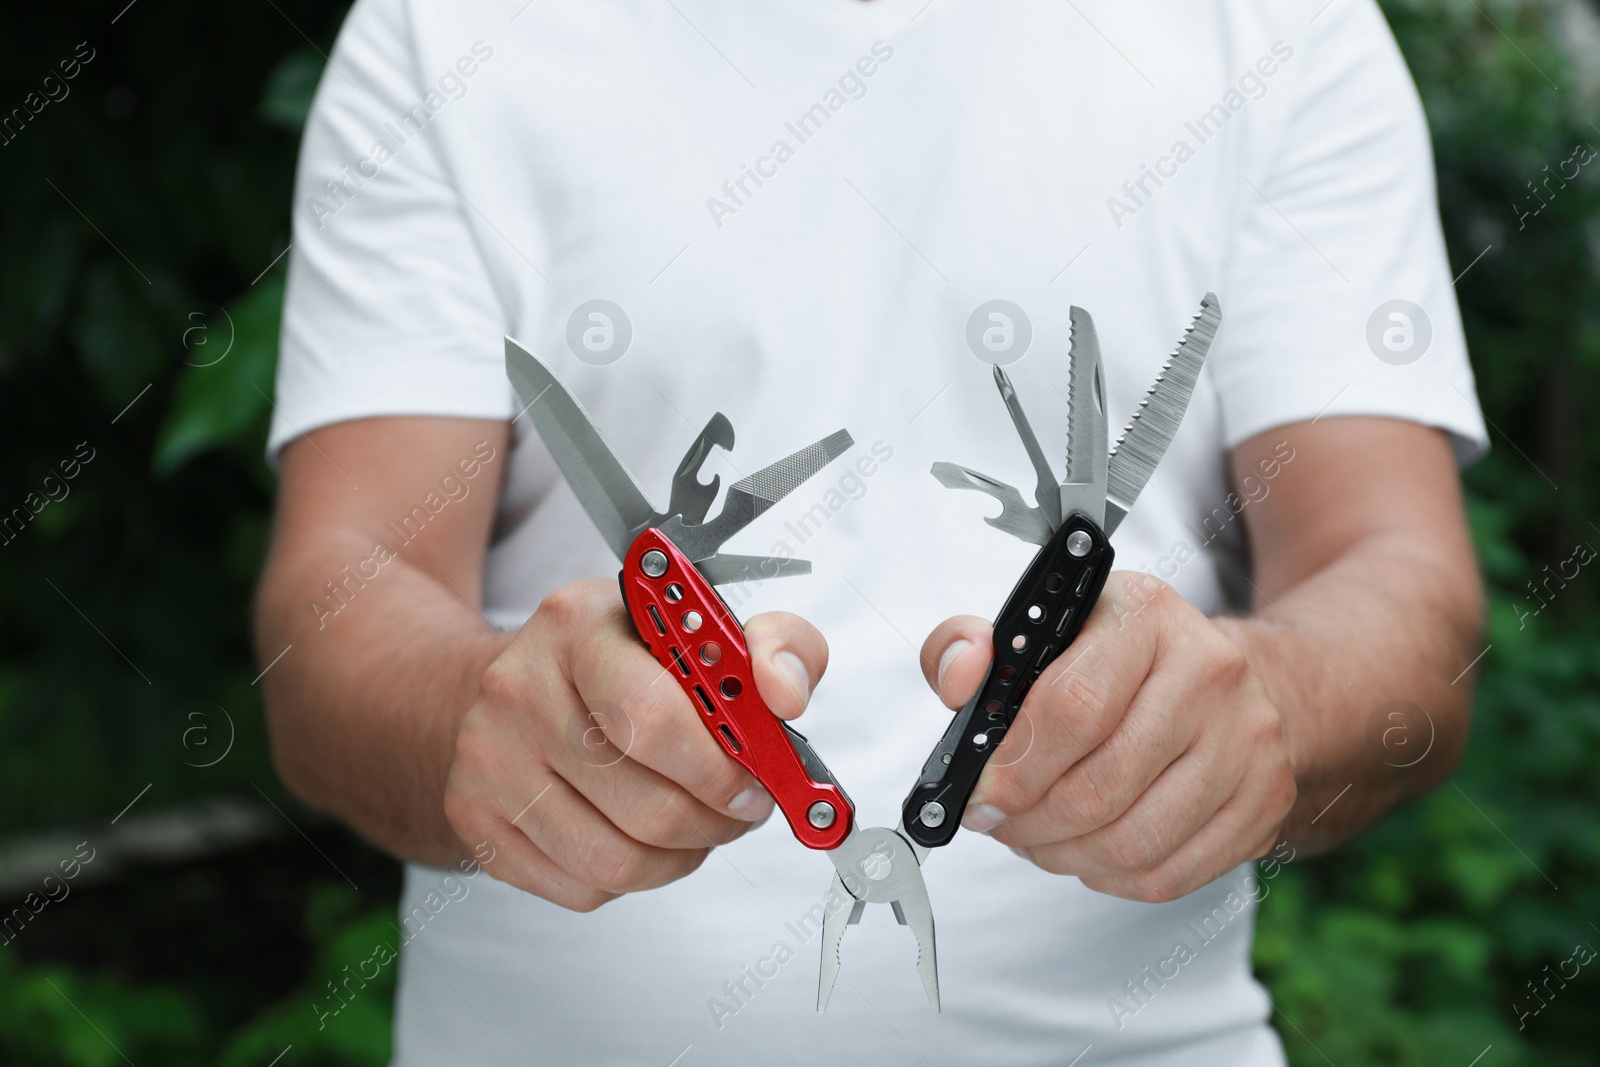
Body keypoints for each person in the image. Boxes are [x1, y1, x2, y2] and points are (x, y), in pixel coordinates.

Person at [256, 0, 1488, 1063]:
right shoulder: (450, 30)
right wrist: (477, 716)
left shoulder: (1277, 29)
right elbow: (337, 605)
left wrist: (1270, 701)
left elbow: (1399, 584)